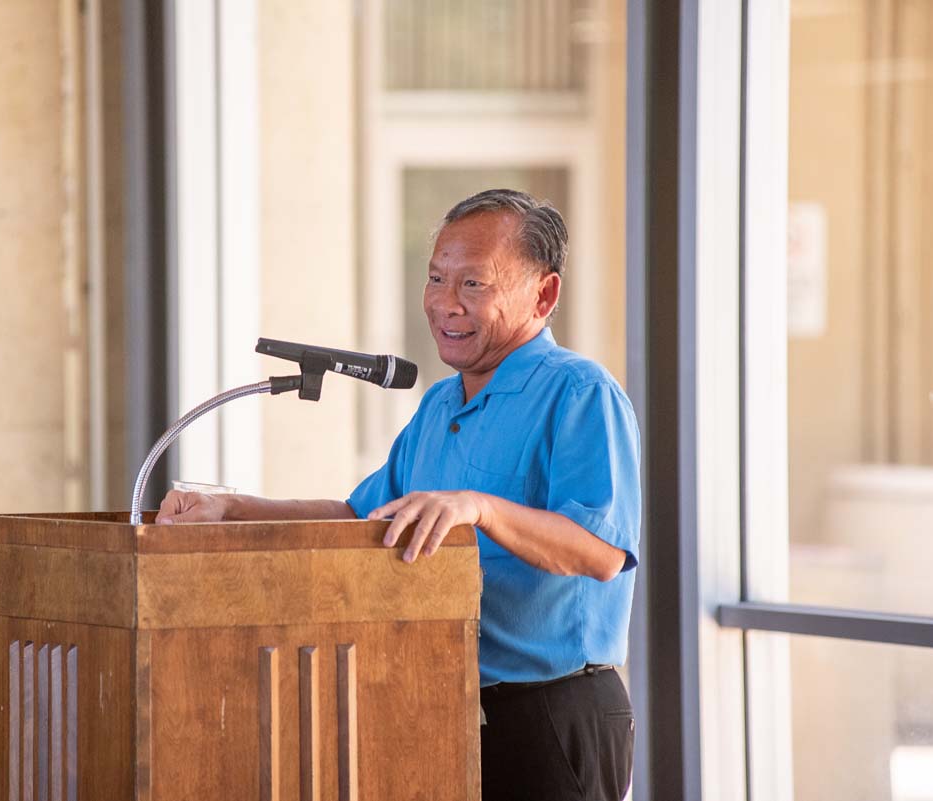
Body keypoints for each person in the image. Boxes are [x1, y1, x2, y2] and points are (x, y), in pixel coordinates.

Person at [157, 188, 641, 801]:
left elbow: (599, 552)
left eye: (473, 285)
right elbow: (360, 517)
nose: (445, 303)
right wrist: (234, 509)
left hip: (550, 712)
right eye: (436, 278)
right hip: (439, 706)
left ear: (543, 294)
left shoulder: (580, 393)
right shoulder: (440, 404)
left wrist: (480, 508)